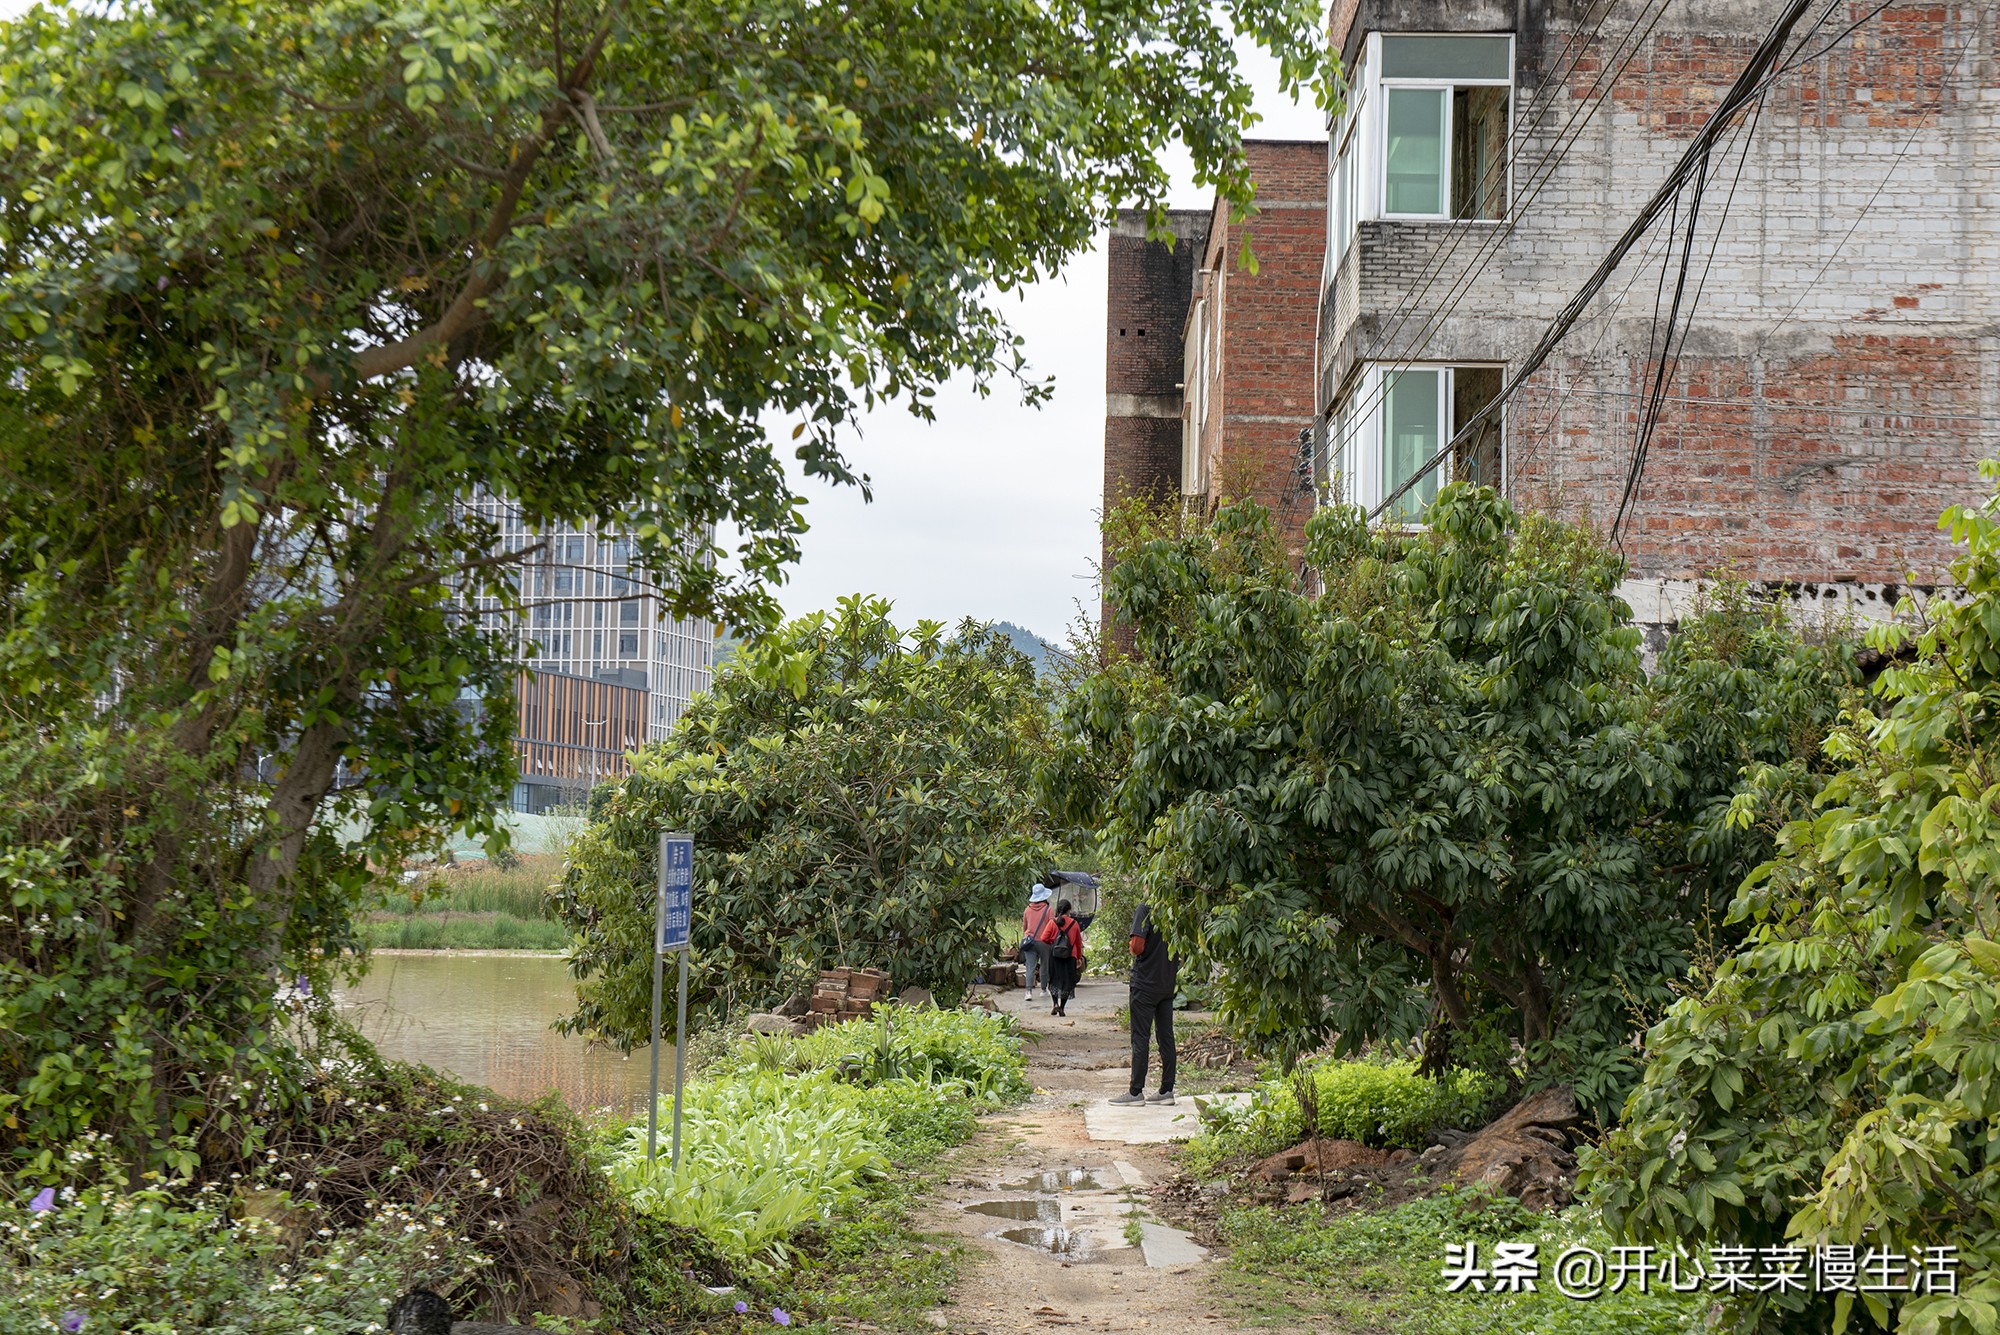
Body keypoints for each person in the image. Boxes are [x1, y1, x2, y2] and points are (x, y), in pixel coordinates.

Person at [1109, 902, 1178, 1106]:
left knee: (1140, 1037)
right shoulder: (1173, 909)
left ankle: (1135, 1092)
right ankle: (1167, 1090)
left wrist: (1131, 946)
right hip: (1166, 982)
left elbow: (1137, 946)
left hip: (1145, 983)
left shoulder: (1145, 909)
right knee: (1166, 1036)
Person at [1037, 897, 1086, 1016]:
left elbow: (1043, 938)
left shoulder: (1052, 922)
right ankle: (1062, 1008)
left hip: (1054, 956)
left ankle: (1055, 1004)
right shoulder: (1074, 924)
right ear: (1069, 910)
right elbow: (1078, 943)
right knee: (1067, 982)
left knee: (1054, 979)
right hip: (1070, 957)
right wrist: (1079, 958)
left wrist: (1053, 944)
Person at [1020, 882, 1055, 1001]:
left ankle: (1028, 992)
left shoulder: (1027, 910)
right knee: (1044, 965)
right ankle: (1044, 990)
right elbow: (1052, 925)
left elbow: (1024, 926)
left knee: (1030, 967)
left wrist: (1027, 935)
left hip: (1029, 941)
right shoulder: (1048, 909)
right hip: (1044, 942)